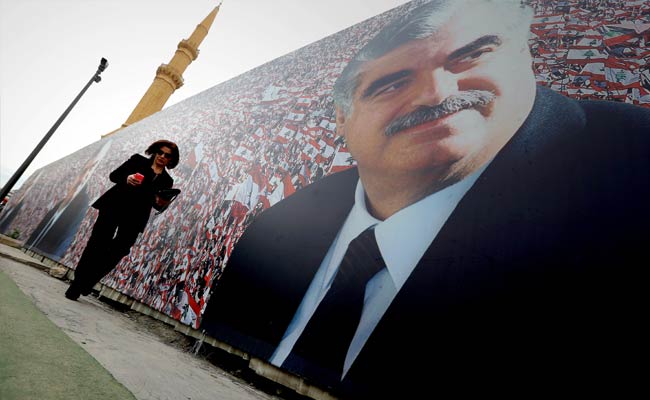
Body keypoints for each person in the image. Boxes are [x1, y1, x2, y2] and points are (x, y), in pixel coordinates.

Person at [200, 1, 649, 397]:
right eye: (392, 83)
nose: (437, 94)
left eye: (471, 55)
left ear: (523, 51)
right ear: (341, 117)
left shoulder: (630, 178)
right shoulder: (278, 229)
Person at [65, 140, 180, 301]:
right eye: (160, 152)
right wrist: (127, 178)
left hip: (136, 217)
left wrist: (162, 203)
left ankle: (88, 281)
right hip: (114, 206)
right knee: (97, 244)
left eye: (167, 155)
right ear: (154, 152)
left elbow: (157, 205)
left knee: (119, 250)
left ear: (171, 160)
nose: (162, 156)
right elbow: (114, 176)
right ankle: (77, 285)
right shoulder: (137, 161)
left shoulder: (167, 181)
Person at [25, 140, 112, 261]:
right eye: (86, 169)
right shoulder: (58, 203)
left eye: (92, 169)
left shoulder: (82, 206)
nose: (85, 176)